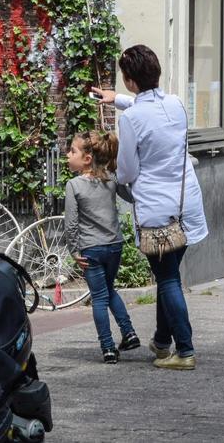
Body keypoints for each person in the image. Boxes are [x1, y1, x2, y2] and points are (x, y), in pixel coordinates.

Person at [92, 45, 207, 371]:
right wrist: (117, 99)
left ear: (130, 80)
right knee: (167, 274)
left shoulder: (130, 121)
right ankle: (161, 340)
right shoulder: (177, 104)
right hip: (187, 205)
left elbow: (127, 171)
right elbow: (151, 110)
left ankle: (184, 351)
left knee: (168, 279)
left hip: (157, 211)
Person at [65, 130, 139, 364]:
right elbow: (130, 197)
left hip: (91, 248)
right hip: (114, 245)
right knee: (109, 289)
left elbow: (71, 223)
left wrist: (74, 251)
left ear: (87, 158)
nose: (67, 155)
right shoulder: (110, 179)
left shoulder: (74, 185)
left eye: (72, 151)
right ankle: (129, 332)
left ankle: (107, 347)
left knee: (99, 297)